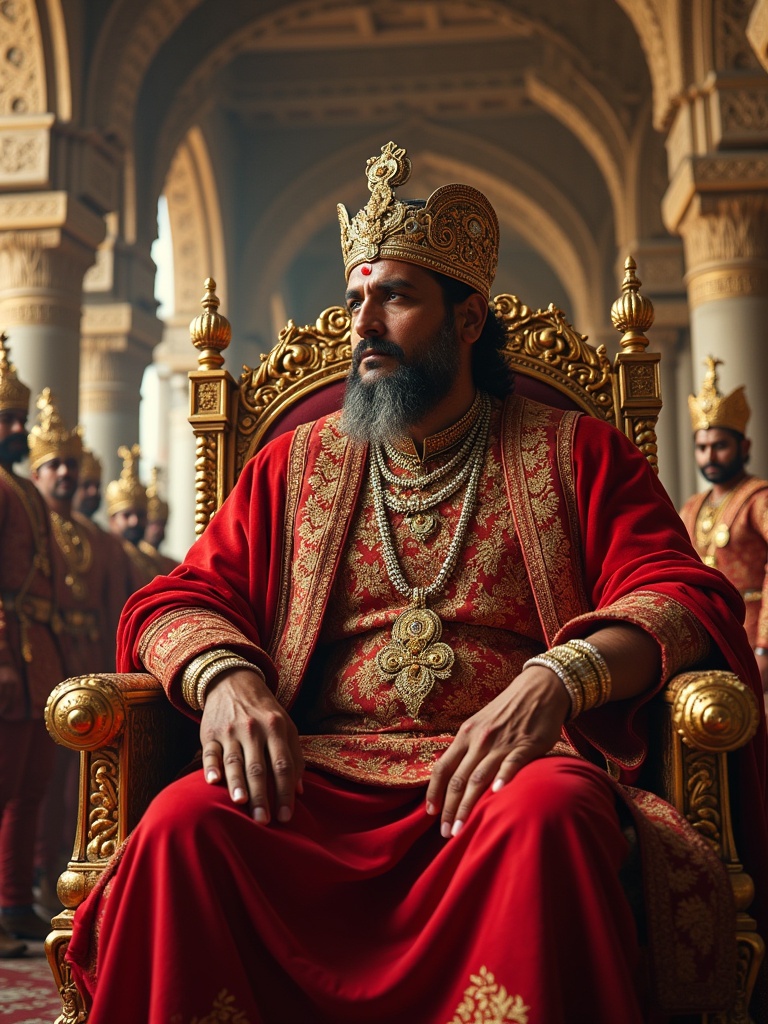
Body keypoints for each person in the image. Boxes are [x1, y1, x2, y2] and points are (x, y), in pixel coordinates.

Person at [67, 142, 768, 1023]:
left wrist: (562, 678)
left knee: (552, 819)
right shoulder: (293, 465)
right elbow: (179, 598)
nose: (363, 324)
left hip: (513, 772)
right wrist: (227, 680)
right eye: (357, 298)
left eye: (395, 297)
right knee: (181, 827)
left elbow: (680, 594)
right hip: (313, 776)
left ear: (468, 319)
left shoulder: (577, 453)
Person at [29, 390, 134, 913]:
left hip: (85, 656)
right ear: (38, 471)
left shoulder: (96, 538)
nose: (66, 476)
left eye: (71, 465)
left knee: (77, 782)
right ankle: (25, 884)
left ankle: (56, 879)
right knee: (36, 782)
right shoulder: (29, 518)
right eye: (55, 466)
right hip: (42, 653)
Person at [0, 337, 63, 955]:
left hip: (37, 652)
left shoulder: (21, 490)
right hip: (7, 654)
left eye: (18, 419)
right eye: (7, 419)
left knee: (29, 787)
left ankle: (15, 904)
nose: (17, 428)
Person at [680, 357, 768, 707]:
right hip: (707, 637)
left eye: (720, 445)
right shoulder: (691, 506)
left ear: (743, 447)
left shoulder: (759, 499)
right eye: (702, 447)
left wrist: (765, 647)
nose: (710, 455)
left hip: (753, 637)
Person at [105, 444, 159, 588]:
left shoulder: (152, 560)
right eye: (126, 515)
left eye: (140, 515)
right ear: (112, 519)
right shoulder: (105, 555)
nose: (134, 521)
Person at [139, 466, 179, 573]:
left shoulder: (170, 565)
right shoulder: (134, 559)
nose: (158, 529)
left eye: (162, 524)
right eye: (153, 524)